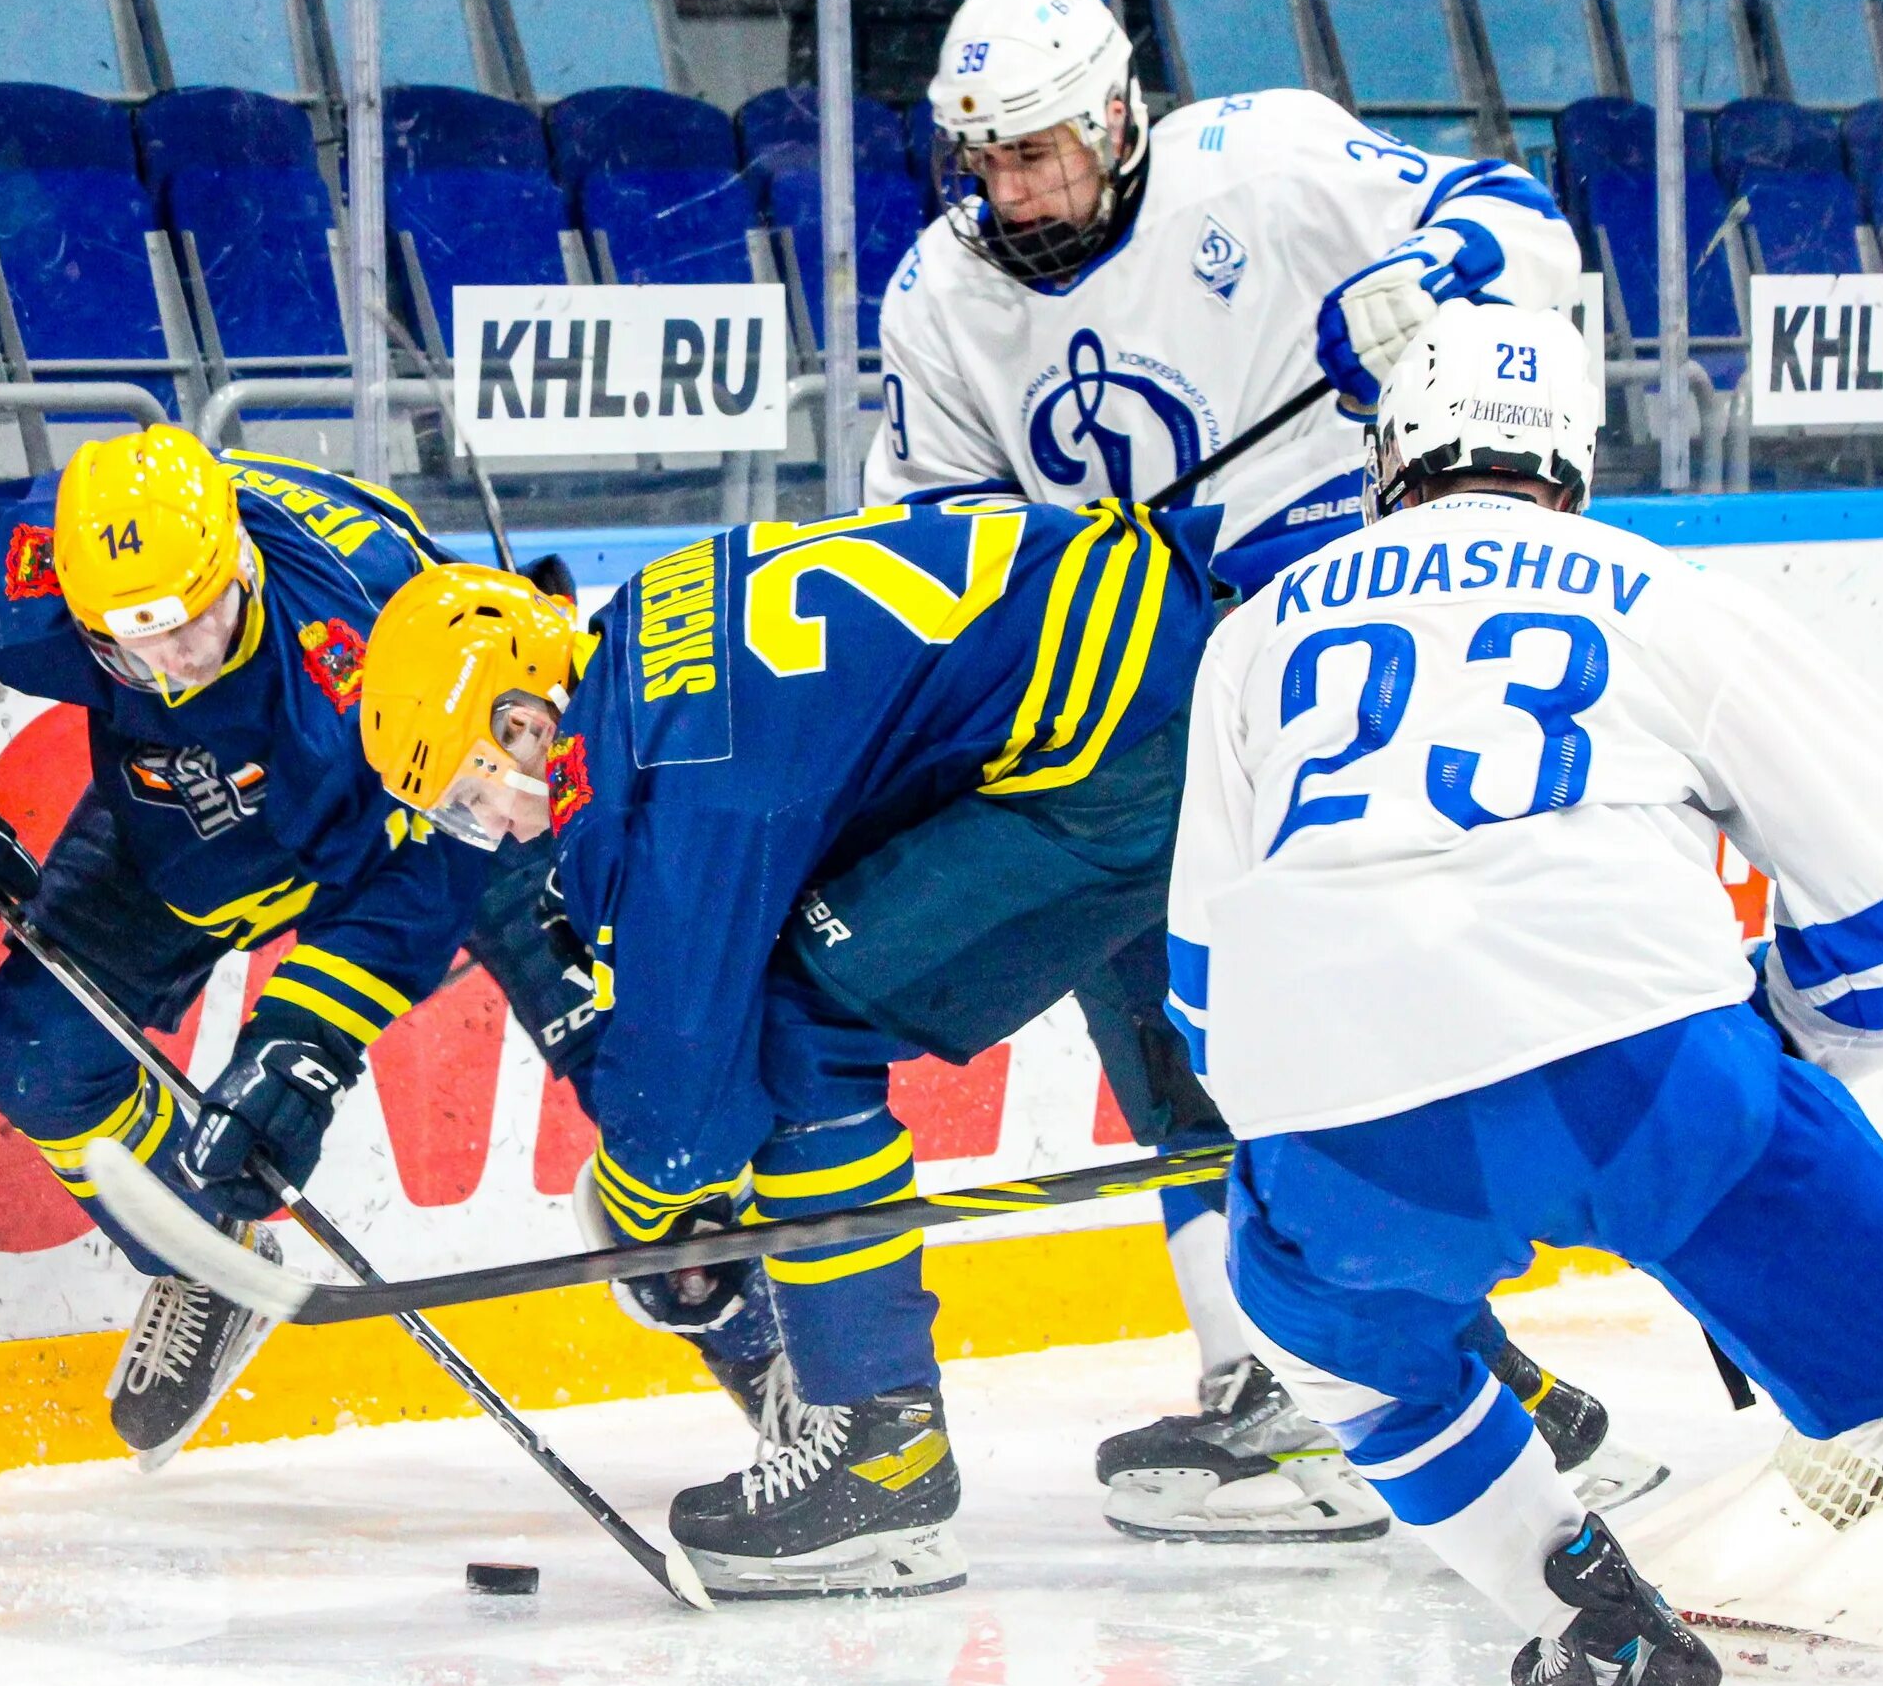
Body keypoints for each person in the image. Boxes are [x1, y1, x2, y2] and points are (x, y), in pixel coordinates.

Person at [1166, 298, 1883, 1686]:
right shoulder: (1660, 596)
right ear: (1573, 456)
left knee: (1343, 1345)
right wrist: (1784, 1054)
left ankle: (1596, 1620)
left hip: (1351, 1120)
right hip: (1653, 1068)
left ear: (1390, 452)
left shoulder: (1252, 638)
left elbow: (1202, 992)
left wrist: (1325, 1143)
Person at [872, 0, 1644, 1523]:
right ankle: (1351, 1372)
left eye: (1036, 151)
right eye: (986, 160)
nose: (1010, 190)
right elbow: (932, 537)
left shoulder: (1272, 162)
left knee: (1318, 1018)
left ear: (1112, 113)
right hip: (1134, 688)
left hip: (1334, 658)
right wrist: (1071, 571)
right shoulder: (939, 296)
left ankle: (1364, 1377)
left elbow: (1530, 234)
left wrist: (1422, 277)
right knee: (1149, 1005)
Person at [349, 494, 1398, 1598]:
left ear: (523, 718)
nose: (500, 829)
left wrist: (639, 1208)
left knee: (803, 1016)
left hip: (1125, 750)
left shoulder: (662, 763)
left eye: (478, 792)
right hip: (1203, 661)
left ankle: (877, 1458)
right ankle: (1403, 1379)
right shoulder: (655, 639)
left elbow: (687, 1111)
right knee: (1185, 1038)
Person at [0, 426, 494, 1466]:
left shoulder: (350, 652)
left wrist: (302, 1046)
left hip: (406, 787)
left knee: (638, 1060)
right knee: (36, 1053)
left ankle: (766, 1318)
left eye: (190, 632)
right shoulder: (41, 570)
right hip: (172, 802)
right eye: (127, 644)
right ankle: (200, 1246)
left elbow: (431, 870)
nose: (166, 663)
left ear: (238, 566)